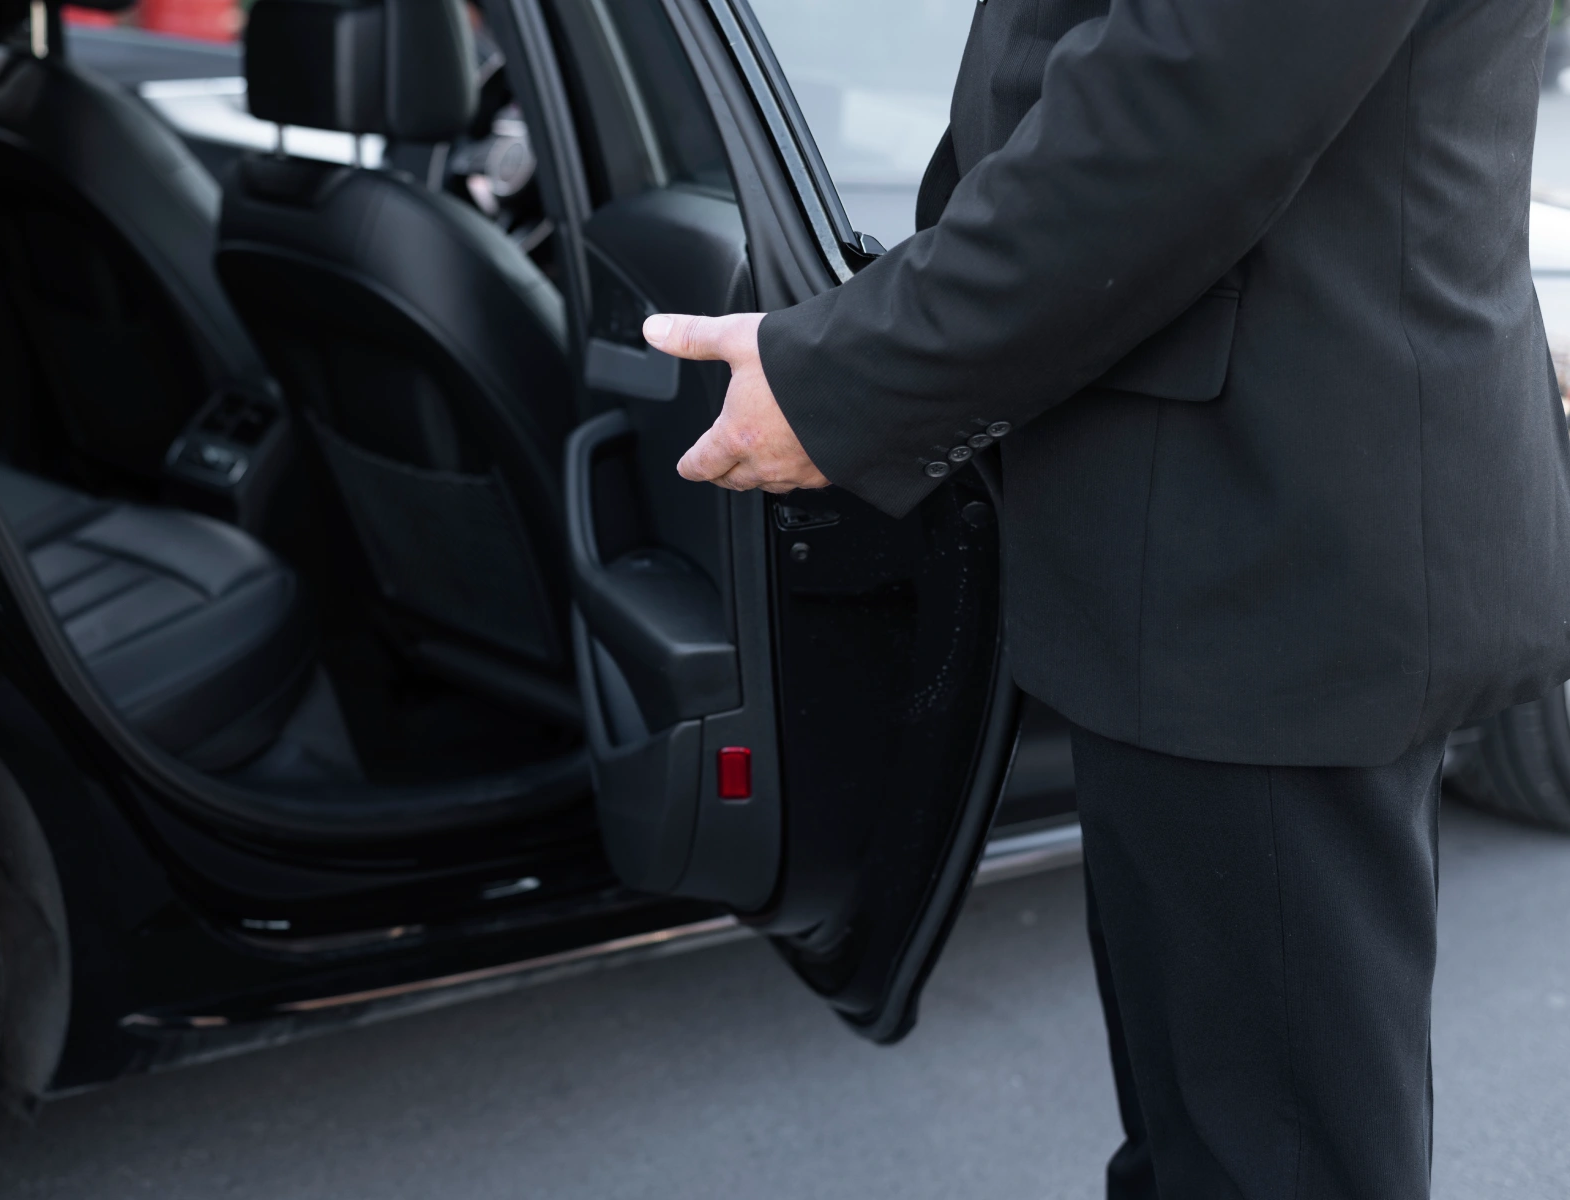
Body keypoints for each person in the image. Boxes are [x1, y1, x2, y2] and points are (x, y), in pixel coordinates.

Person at [643, 1, 1570, 1196]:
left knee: (1261, 1164)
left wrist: (849, 379)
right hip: (1229, 533)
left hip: (1261, 546)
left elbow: (1179, 113)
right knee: (1206, 1142)